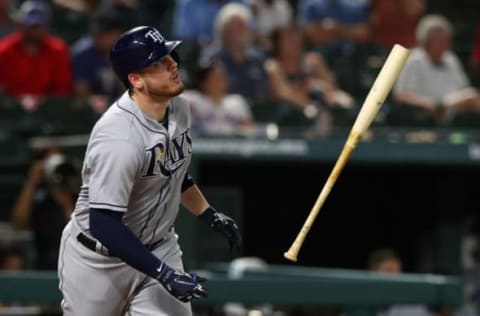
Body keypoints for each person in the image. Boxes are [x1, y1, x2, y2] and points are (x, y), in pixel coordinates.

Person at [57, 26, 242, 315]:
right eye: (158, 62)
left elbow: (174, 174)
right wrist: (165, 274)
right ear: (136, 80)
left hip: (159, 247)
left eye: (169, 55)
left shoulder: (179, 106)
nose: (172, 64)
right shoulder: (119, 138)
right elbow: (104, 224)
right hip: (98, 261)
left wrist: (209, 214)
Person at [392, 15, 480, 125]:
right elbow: (401, 95)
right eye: (440, 40)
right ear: (426, 41)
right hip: (422, 114)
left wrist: (443, 106)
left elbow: (464, 90)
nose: (445, 45)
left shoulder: (451, 58)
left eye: (446, 40)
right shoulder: (413, 59)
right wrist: (430, 105)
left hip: (453, 112)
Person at [10, 145, 79, 270]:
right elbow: (18, 223)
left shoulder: (77, 194)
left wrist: (66, 203)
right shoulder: (37, 198)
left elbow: (79, 233)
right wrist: (31, 182)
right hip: (44, 264)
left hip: (73, 264)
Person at [0, 0, 72, 102]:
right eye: (31, 26)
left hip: (47, 111)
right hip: (12, 111)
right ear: (21, 25)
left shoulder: (58, 50)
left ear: (47, 27)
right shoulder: (4, 50)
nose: (35, 31)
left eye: (39, 26)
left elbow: (62, 89)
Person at [200, 2, 269, 102]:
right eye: (231, 27)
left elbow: (265, 92)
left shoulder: (258, 59)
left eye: (241, 26)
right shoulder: (211, 58)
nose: (236, 32)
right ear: (222, 30)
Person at [70, 7, 125, 111]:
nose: (98, 38)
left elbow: (132, 93)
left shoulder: (130, 53)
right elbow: (81, 94)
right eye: (96, 33)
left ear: (118, 34)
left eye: (104, 34)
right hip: (89, 112)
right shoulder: (82, 53)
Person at [183, 60, 254, 136]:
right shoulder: (193, 98)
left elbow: (249, 128)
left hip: (231, 144)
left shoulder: (237, 101)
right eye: (214, 78)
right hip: (202, 144)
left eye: (222, 78)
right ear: (203, 83)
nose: (219, 82)